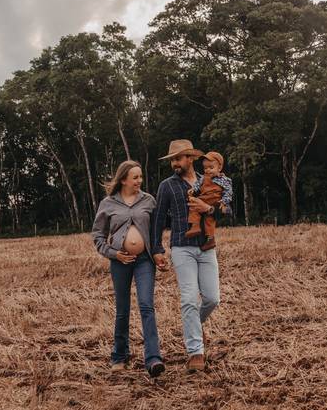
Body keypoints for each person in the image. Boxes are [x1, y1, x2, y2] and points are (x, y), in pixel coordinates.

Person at [151, 139, 229, 373]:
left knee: (213, 298)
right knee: (188, 299)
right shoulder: (167, 186)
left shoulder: (211, 180)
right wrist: (156, 248)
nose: (174, 163)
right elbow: (158, 219)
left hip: (206, 246)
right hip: (181, 247)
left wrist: (209, 209)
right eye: (172, 159)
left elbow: (226, 212)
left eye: (178, 158)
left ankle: (193, 325)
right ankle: (195, 352)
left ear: (191, 159)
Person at [91, 160, 165, 377]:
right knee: (122, 310)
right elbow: (97, 235)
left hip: (144, 260)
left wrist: (158, 253)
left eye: (140, 177)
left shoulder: (149, 201)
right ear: (123, 179)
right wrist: (114, 254)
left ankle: (153, 359)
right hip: (120, 261)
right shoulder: (108, 203)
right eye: (135, 177)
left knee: (146, 306)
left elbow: (156, 231)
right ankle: (119, 356)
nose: (139, 181)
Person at [185, 151, 233, 251]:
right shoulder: (203, 178)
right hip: (204, 198)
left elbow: (228, 192)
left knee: (209, 218)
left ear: (219, 168)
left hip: (215, 200)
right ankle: (196, 227)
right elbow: (197, 186)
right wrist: (193, 190)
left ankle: (210, 238)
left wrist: (224, 202)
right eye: (205, 168)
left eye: (211, 168)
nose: (207, 170)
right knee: (194, 205)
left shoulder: (224, 180)